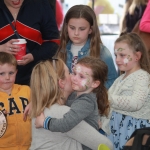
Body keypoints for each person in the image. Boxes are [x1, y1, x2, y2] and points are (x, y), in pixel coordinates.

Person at [29, 58, 113, 150]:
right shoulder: (62, 112)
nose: (73, 78)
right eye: (71, 73)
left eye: (81, 76)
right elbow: (107, 145)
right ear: (61, 82)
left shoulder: (41, 109)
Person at [103, 32, 150, 150]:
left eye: (122, 55)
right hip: (118, 130)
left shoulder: (142, 76)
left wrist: (107, 99)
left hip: (133, 132)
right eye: (116, 55)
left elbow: (136, 103)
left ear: (137, 56)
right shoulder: (120, 79)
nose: (117, 59)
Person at [57, 5, 118, 89]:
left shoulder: (102, 51)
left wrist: (93, 92)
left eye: (82, 29)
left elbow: (112, 81)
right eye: (72, 28)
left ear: (90, 30)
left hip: (90, 100)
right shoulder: (60, 50)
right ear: (66, 27)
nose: (76, 33)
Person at [0, 0, 60, 85]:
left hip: (35, 78)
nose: (15, 1)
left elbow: (54, 42)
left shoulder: (41, 5)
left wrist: (34, 56)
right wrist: (1, 48)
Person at [0, 52, 31, 150]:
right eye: (2, 74)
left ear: (16, 72)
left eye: (11, 73)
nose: (7, 77)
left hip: (29, 146)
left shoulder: (26, 90)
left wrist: (35, 103)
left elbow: (41, 103)